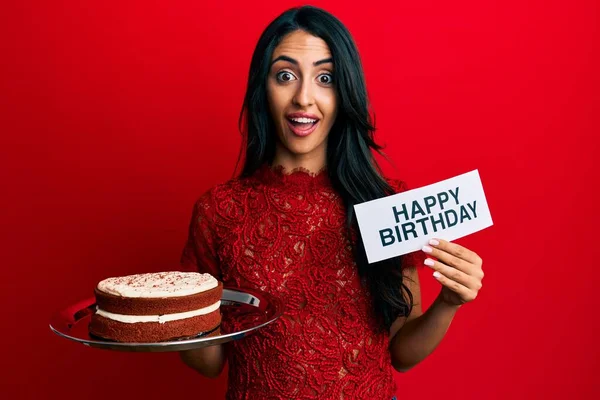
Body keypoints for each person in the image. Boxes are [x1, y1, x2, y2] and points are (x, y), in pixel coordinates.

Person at [178, 5, 484, 400]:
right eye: (285, 75)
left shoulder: (385, 204)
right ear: (262, 87)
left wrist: (449, 302)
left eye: (326, 78)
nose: (303, 97)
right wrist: (169, 320)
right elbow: (209, 363)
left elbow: (402, 353)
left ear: (345, 93)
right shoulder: (218, 210)